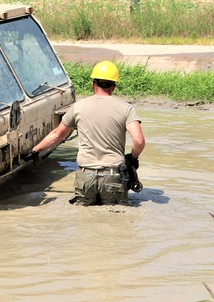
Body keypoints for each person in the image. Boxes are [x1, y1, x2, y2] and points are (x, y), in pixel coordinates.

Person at [27, 60, 145, 206]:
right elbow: (138, 140)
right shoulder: (126, 108)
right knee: (115, 221)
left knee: (83, 220)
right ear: (114, 86)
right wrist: (133, 158)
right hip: (112, 176)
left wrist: (34, 151)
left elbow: (57, 135)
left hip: (85, 176)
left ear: (93, 84)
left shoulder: (78, 107)